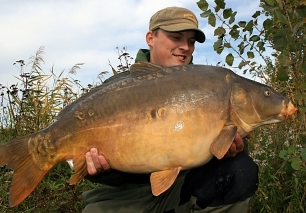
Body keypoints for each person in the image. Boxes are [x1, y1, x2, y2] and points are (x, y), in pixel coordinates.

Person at [82, 6, 258, 213]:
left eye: (191, 42)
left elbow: (231, 147)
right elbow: (89, 167)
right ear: (150, 38)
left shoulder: (209, 87)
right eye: (176, 38)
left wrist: (233, 150)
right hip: (125, 196)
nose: (185, 47)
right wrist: (100, 169)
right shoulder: (117, 88)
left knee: (239, 170)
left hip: (184, 188)